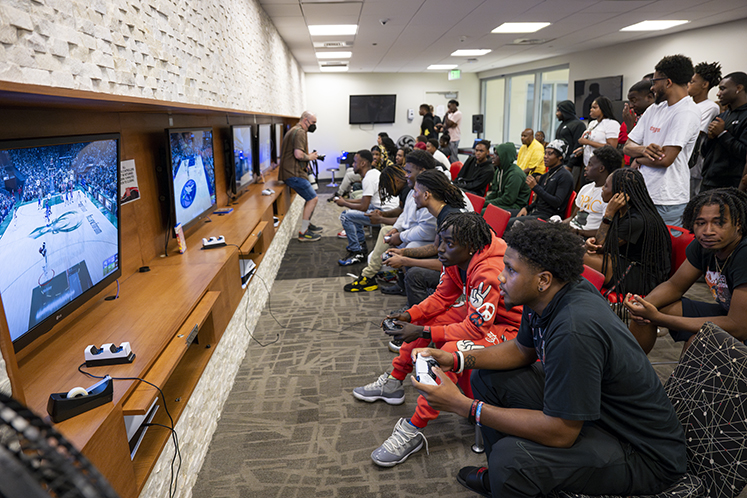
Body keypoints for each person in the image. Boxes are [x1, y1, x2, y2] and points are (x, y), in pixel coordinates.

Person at [411, 221, 687, 498]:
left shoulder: (573, 330)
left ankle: (512, 476)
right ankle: (505, 480)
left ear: (543, 279)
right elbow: (521, 350)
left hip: (642, 455)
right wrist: (457, 359)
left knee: (512, 461)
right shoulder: (548, 297)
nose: (500, 278)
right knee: (486, 377)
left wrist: (464, 406)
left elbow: (561, 432)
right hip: (600, 417)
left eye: (510, 270)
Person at [352, 212, 522, 468]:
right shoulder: (456, 258)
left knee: (450, 351)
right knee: (423, 321)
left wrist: (423, 333)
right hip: (483, 316)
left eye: (449, 244)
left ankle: (414, 428)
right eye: (440, 241)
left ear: (470, 246)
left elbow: (476, 329)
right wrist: (412, 315)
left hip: (510, 328)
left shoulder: (488, 270)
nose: (440, 249)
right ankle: (394, 382)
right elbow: (442, 298)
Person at [624, 188, 747, 354]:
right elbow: (675, 285)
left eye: (719, 223)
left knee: (700, 341)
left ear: (738, 223)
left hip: (741, 323)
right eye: (700, 223)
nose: (708, 231)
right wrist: (645, 306)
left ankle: (681, 381)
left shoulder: (743, 254)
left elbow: (739, 327)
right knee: (647, 312)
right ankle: (629, 371)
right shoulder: (703, 245)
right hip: (730, 314)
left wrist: (659, 318)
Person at [624, 54, 701, 227]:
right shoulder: (655, 109)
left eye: (655, 82)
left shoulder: (686, 112)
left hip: (667, 199)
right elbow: (627, 147)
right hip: (643, 193)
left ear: (668, 82)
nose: (652, 88)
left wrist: (638, 158)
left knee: (660, 251)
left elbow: (665, 159)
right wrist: (644, 151)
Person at [344, 155, 436, 293]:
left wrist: (400, 236)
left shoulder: (429, 191)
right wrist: (395, 229)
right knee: (386, 232)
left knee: (407, 245)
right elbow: (405, 213)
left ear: (422, 171)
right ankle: (374, 276)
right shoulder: (415, 189)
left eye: (409, 172)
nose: (406, 175)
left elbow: (426, 230)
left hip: (432, 240)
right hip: (420, 234)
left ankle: (405, 287)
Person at [383, 169, 468, 312]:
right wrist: (403, 252)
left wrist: (404, 260)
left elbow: (444, 265)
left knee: (414, 275)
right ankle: (421, 308)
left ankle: (422, 318)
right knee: (412, 258)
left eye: (416, 192)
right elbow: (435, 247)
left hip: (464, 275)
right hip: (457, 267)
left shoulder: (449, 220)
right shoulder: (443, 214)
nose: (414, 196)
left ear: (427, 195)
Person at [583, 168, 671, 300]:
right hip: (626, 262)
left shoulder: (636, 220)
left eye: (606, 186)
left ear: (620, 194)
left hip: (645, 278)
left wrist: (608, 214)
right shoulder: (624, 211)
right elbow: (600, 243)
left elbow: (601, 246)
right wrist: (591, 243)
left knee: (576, 255)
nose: (602, 189)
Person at [335, 149, 398, 266]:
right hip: (383, 209)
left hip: (386, 213)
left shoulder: (368, 179)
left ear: (363, 163)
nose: (353, 164)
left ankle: (357, 252)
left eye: (355, 162)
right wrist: (345, 200)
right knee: (353, 212)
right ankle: (360, 246)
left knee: (345, 216)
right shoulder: (373, 173)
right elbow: (365, 200)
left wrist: (344, 203)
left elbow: (363, 207)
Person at [278, 110, 323, 242]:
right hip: (294, 174)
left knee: (311, 197)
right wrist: (310, 157)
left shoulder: (295, 130)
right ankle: (303, 232)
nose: (314, 125)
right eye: (313, 123)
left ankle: (307, 225)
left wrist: (307, 162)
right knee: (313, 199)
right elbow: (298, 155)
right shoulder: (300, 132)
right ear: (305, 121)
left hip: (294, 171)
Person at [507, 139, 574, 227]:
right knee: (503, 215)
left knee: (507, 224)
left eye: (550, 154)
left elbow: (557, 202)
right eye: (545, 153)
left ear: (560, 157)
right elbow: (539, 201)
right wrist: (526, 208)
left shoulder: (565, 176)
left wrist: (535, 187)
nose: (545, 156)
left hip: (548, 218)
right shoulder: (545, 176)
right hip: (536, 212)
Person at [701, 72, 747, 191]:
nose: (718, 93)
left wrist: (722, 134)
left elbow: (743, 152)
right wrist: (710, 138)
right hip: (709, 180)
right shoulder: (722, 116)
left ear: (738, 88)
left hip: (730, 185)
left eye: (723, 89)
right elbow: (705, 152)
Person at [566, 145, 622, 238]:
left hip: (586, 238)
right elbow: (573, 218)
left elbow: (606, 230)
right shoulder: (585, 188)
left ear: (601, 168)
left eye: (590, 164)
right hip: (573, 233)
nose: (585, 168)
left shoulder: (609, 195)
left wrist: (578, 232)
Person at [687, 61, 722, 196]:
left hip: (696, 165)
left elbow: (696, 132)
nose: (688, 85)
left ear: (705, 85)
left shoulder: (710, 107)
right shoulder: (688, 104)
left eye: (692, 81)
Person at [482, 142, 531, 213]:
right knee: (478, 207)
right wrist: (482, 201)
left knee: (483, 212)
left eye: (497, 154)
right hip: (504, 202)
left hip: (515, 206)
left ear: (504, 157)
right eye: (494, 153)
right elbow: (495, 193)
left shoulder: (515, 174)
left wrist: (486, 203)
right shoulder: (499, 170)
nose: (493, 157)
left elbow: (508, 200)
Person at [573, 96, 620, 171]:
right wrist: (583, 148)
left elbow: (611, 147)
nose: (591, 110)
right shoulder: (592, 123)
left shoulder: (612, 124)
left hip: (601, 167)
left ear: (603, 109)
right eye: (591, 107)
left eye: (594, 107)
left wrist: (588, 142)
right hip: (588, 165)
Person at [555, 100, 586, 184]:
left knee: (566, 189)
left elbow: (577, 145)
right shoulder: (563, 124)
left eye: (559, 111)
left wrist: (570, 165)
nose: (556, 114)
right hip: (560, 163)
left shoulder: (578, 125)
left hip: (571, 165)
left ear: (565, 111)